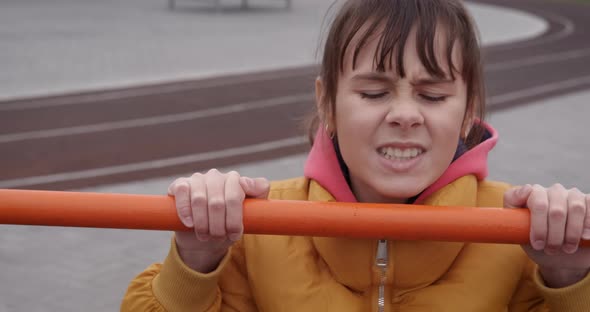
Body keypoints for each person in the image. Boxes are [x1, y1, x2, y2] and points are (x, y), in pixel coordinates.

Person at [121, 0, 590, 310]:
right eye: (372, 92)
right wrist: (196, 261)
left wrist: (570, 277)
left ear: (468, 111)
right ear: (327, 103)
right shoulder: (254, 232)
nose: (405, 115)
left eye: (432, 96)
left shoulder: (523, 240)